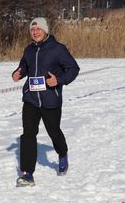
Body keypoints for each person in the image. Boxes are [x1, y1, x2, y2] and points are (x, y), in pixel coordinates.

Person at [12, 17, 80, 187]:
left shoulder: (58, 49)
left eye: (38, 29)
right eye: (32, 30)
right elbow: (24, 66)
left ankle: (62, 153)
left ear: (45, 30)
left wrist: (59, 80)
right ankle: (27, 174)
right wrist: (18, 73)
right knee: (28, 134)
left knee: (54, 131)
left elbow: (73, 69)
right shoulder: (29, 50)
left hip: (51, 99)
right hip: (31, 99)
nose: (35, 32)